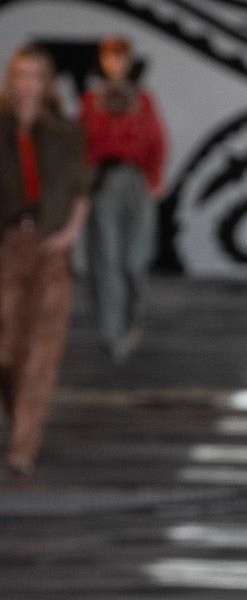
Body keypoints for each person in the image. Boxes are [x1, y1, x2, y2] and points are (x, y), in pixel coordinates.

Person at [0, 45, 89, 479]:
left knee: (42, 350)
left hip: (51, 247)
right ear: (11, 79)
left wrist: (69, 234)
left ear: (47, 81)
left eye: (36, 75)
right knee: (7, 352)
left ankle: (23, 444)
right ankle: (20, 421)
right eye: (22, 74)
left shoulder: (65, 132)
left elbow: (80, 190)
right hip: (7, 245)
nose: (28, 83)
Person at [80, 34, 166, 361]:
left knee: (134, 259)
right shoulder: (91, 100)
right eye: (110, 57)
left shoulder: (142, 99)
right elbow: (83, 143)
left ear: (130, 62)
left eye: (121, 57)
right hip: (104, 181)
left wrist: (154, 178)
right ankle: (111, 333)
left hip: (136, 181)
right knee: (107, 259)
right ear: (102, 61)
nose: (116, 63)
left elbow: (156, 140)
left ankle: (131, 322)